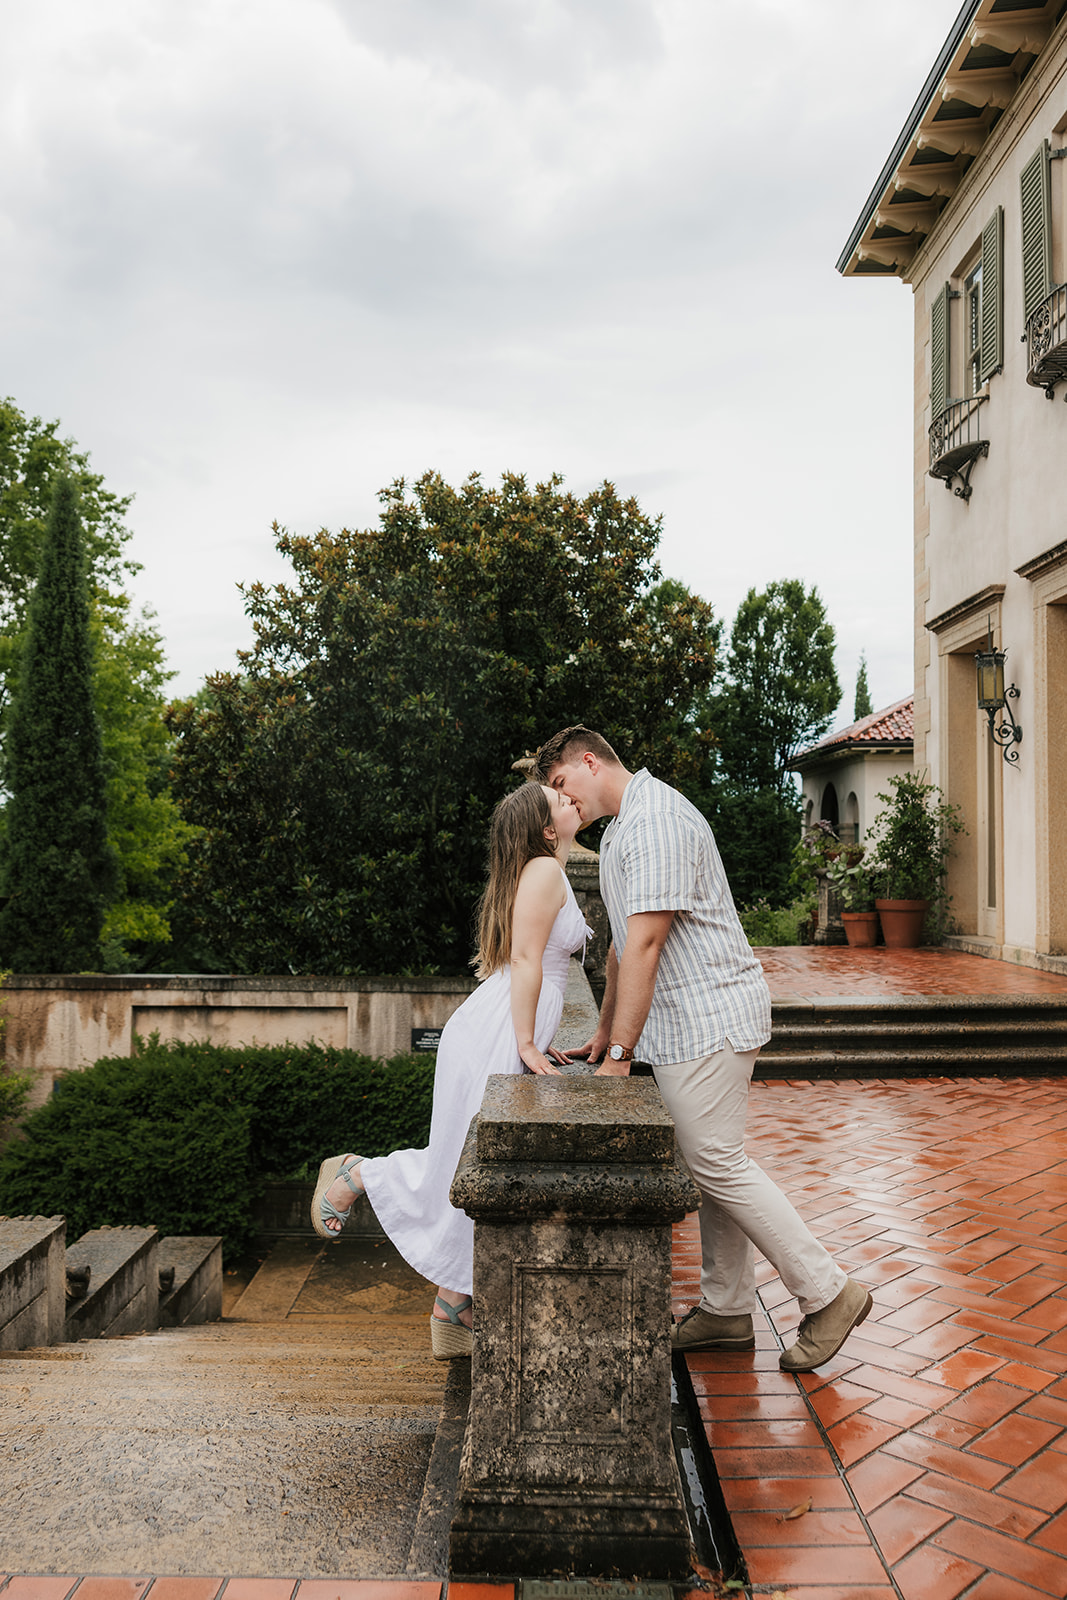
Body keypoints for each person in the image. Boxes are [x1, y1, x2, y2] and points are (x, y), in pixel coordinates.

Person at [533, 725, 871, 1373]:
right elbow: (618, 945)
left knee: (716, 1162)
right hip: (685, 1021)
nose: (559, 799)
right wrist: (605, 1032)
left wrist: (618, 1056)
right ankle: (725, 1309)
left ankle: (828, 1293)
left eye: (557, 784)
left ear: (586, 761)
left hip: (708, 1016)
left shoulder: (655, 819)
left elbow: (648, 945)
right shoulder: (620, 833)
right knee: (712, 1165)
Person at [310, 781, 589, 1360]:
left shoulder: (542, 869)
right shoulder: (543, 869)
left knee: (471, 1159)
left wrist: (540, 1039)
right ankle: (358, 1174)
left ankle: (453, 1306)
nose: (569, 800)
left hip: (507, 1021)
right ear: (542, 827)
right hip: (499, 1027)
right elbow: (526, 961)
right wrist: (527, 1044)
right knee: (465, 1160)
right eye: (557, 799)